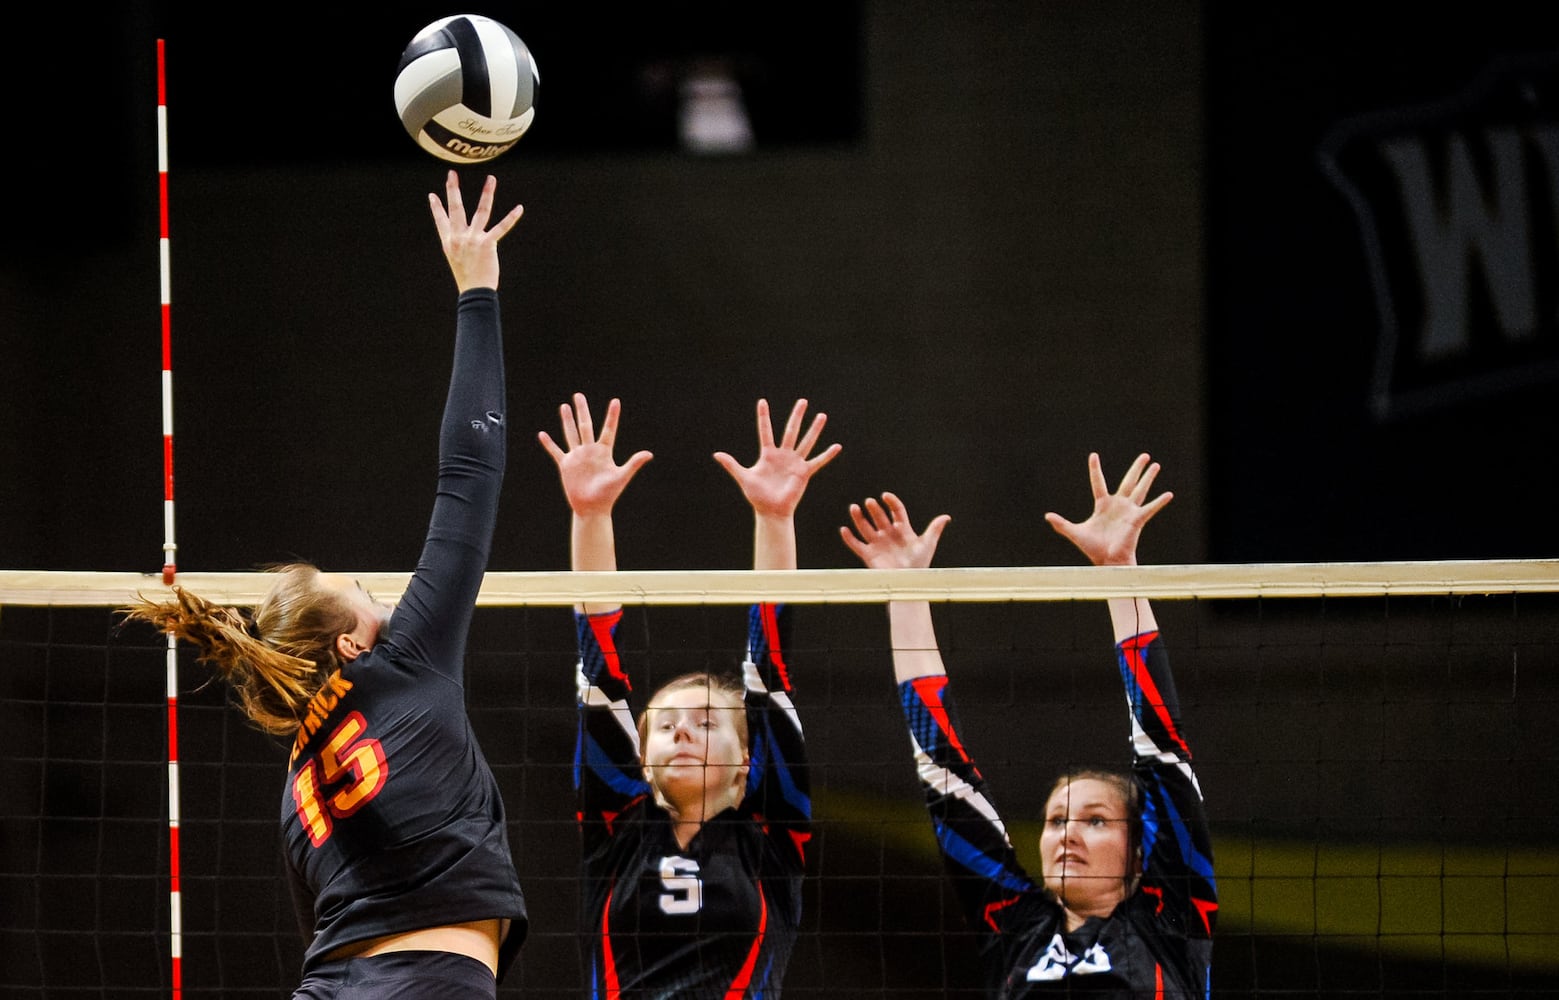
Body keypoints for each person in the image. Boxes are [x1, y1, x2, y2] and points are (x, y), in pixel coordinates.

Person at [121, 171, 529, 999]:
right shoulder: (404, 664)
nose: (386, 597)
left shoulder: (301, 772)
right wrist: (477, 291)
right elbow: (470, 472)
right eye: (365, 590)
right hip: (423, 982)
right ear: (352, 642)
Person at [839, 452, 1217, 998]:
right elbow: (945, 774)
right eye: (1056, 820)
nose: (1067, 834)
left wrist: (1119, 574)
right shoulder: (1013, 927)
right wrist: (905, 595)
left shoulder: (1170, 918)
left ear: (1140, 851)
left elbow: (1162, 745)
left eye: (1094, 821)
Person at [538, 393, 840, 998]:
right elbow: (599, 669)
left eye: (706, 723)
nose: (680, 731)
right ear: (640, 760)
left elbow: (769, 671)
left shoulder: (772, 838)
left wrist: (775, 520)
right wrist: (591, 514)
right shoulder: (616, 829)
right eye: (666, 724)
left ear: (746, 763)